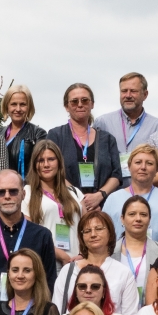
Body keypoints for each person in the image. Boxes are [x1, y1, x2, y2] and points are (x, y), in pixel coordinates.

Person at [0, 170, 60, 293]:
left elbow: (49, 282)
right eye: (1, 192)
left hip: (31, 309)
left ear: (23, 194)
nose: (7, 196)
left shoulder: (42, 236)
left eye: (13, 191)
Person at [53, 83, 125, 217]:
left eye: (85, 100)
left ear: (92, 104)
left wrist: (99, 196)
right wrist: (78, 199)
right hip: (67, 207)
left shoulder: (107, 139)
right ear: (66, 107)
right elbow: (52, 172)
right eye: (74, 101)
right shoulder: (56, 136)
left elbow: (116, 175)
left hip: (102, 209)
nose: (80, 104)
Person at [54, 211, 140, 315]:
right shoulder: (67, 271)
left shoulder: (123, 273)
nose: (93, 234)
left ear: (110, 233)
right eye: (87, 231)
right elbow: (56, 312)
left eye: (99, 229)